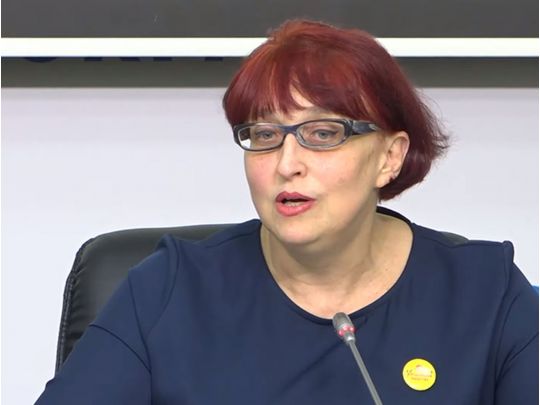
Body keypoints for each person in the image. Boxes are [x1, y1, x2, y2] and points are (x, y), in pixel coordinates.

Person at [36, 20, 538, 404]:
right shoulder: (169, 289)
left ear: (390, 157)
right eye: (264, 135)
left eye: (323, 133)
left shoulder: (487, 292)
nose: (286, 163)